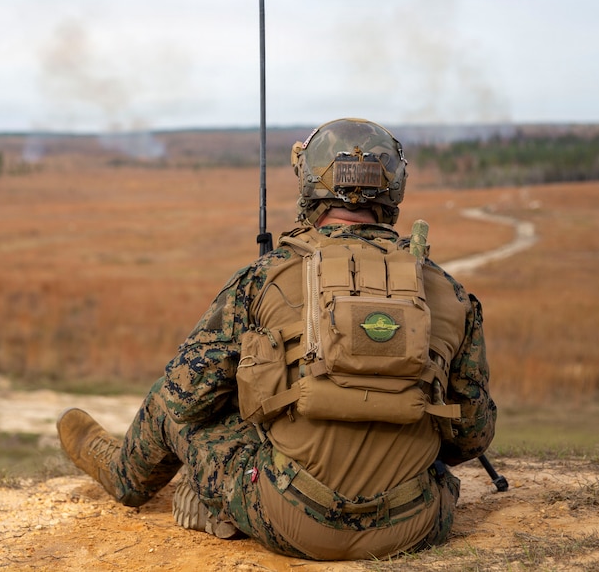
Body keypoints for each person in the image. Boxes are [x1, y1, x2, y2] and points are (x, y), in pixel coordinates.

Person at [57, 118, 497, 560]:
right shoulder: (448, 291)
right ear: (395, 191)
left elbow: (183, 401)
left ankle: (123, 476)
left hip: (290, 519)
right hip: (415, 525)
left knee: (170, 397)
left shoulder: (264, 277)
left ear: (309, 185)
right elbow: (472, 438)